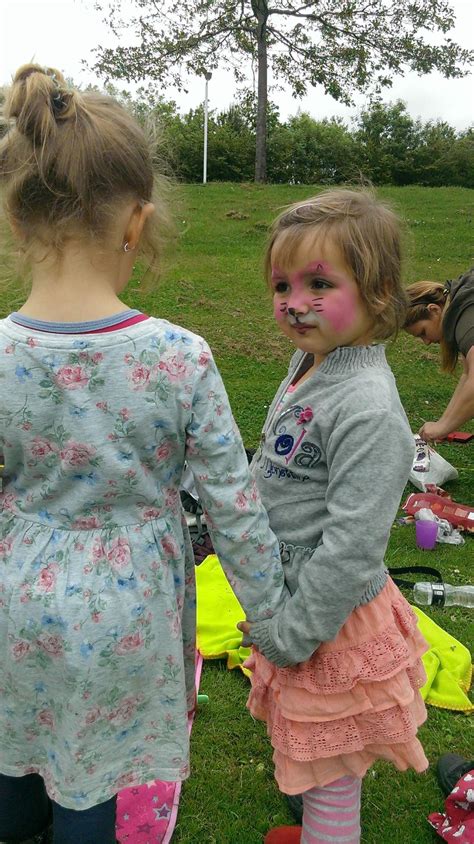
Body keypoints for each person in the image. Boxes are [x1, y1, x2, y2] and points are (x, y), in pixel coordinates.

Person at [0, 64, 288, 844]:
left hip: (16, 595)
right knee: (92, 783)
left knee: (17, 751)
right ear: (137, 224)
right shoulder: (180, 357)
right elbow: (234, 506)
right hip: (130, 614)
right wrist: (275, 626)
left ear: (18, 223)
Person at [237, 189, 429, 844]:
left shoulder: (369, 408)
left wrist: (294, 632)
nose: (294, 301)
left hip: (329, 617)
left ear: (377, 294)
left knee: (329, 768)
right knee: (316, 757)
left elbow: (352, 547)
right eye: (282, 284)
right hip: (299, 598)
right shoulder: (312, 364)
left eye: (319, 283)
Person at [403, 269, 474, 442]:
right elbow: (467, 373)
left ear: (434, 310)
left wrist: (443, 427)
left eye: (423, 332)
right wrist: (444, 423)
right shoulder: (458, 299)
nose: (426, 342)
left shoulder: (466, 322)